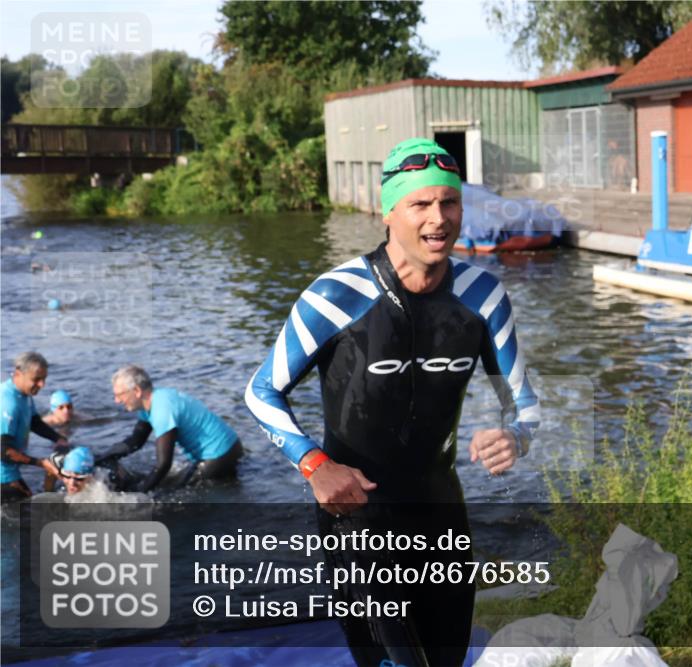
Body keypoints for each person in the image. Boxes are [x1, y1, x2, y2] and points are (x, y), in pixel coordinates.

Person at [245, 137, 540, 667]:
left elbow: (523, 405)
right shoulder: (335, 296)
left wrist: (512, 437)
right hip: (357, 516)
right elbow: (262, 390)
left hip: (441, 511)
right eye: (420, 204)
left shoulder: (484, 297)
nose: (439, 218)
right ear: (388, 212)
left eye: (449, 203)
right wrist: (315, 465)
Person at [103, 365, 242, 493]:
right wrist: (104, 458)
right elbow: (135, 441)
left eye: (120, 395)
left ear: (137, 391)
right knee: (167, 484)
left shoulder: (162, 410)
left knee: (175, 494)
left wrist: (138, 494)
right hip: (229, 446)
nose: (117, 400)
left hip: (220, 455)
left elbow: (163, 465)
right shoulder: (153, 402)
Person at [1, 352, 65, 501]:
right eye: (36, 379)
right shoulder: (7, 403)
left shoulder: (24, 394)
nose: (42, 384)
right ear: (18, 374)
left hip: (11, 469)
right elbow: (3, 451)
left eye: (44, 379)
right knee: (34, 519)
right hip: (3, 475)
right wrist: (40, 463)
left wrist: (58, 438)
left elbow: (34, 421)